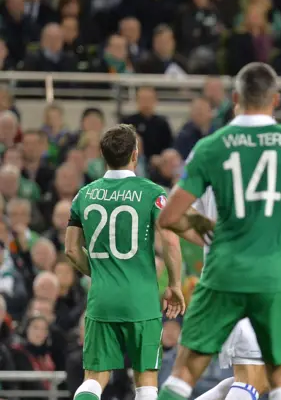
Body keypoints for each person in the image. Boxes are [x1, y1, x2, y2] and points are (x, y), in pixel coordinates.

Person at [157, 62, 281, 400]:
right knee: (278, 382)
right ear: (276, 100)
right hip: (276, 279)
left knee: (186, 374)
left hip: (223, 275)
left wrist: (206, 229)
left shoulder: (210, 148)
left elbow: (170, 216)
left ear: (235, 98)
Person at [65, 124, 188, 400]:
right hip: (141, 299)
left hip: (102, 299)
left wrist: (98, 273)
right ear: (135, 154)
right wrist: (175, 284)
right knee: (146, 380)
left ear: (103, 155)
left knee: (94, 379)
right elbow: (170, 241)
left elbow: (72, 251)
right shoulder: (152, 192)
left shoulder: (84, 195)